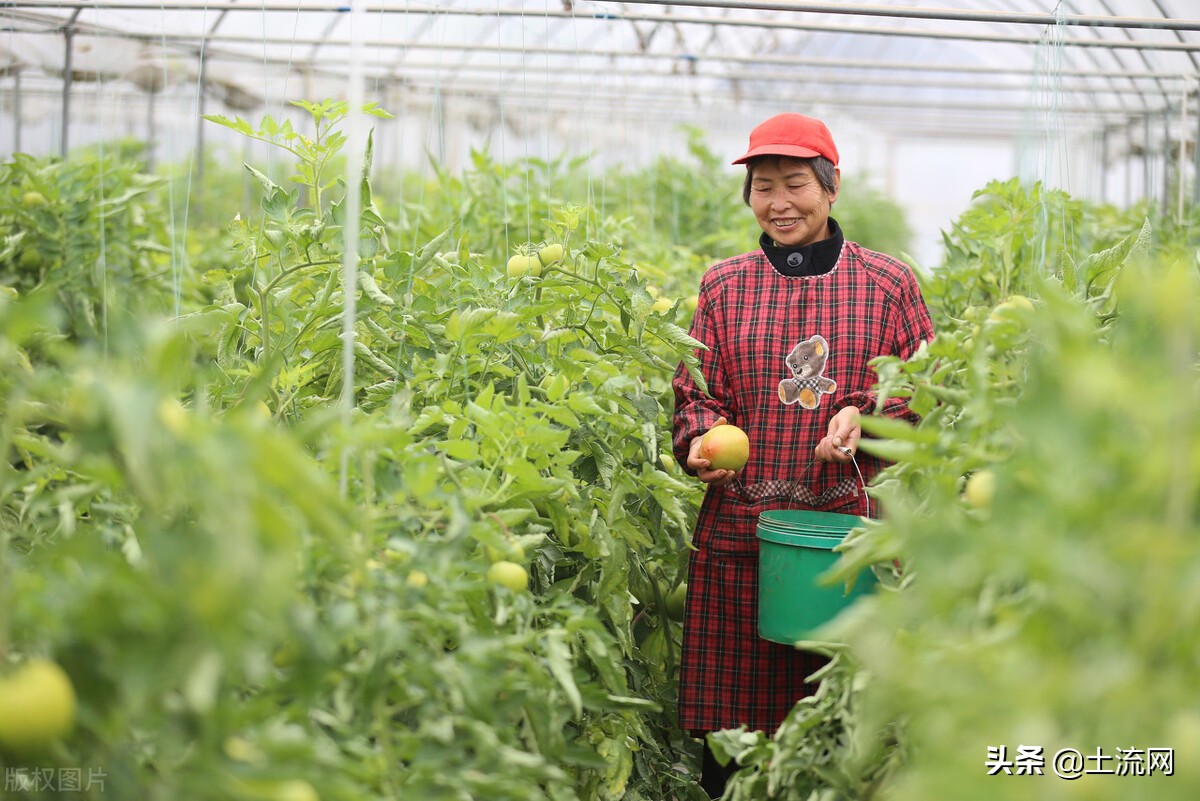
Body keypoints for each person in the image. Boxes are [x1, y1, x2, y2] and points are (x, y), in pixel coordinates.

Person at [670, 112, 935, 798]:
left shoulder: (887, 285)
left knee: (838, 726)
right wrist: (700, 441)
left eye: (794, 184)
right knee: (733, 737)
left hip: (843, 542)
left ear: (832, 186)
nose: (778, 202)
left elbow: (926, 391)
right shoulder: (723, 285)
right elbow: (697, 392)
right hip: (742, 540)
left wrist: (866, 416)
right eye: (763, 187)